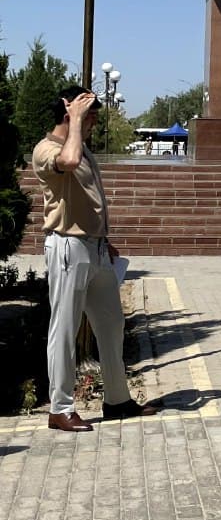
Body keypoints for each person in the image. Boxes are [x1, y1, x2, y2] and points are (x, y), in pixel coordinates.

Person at [33, 87, 159, 432]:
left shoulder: (83, 147)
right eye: (89, 116)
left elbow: (89, 196)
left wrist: (106, 240)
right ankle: (60, 408)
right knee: (65, 329)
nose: (93, 124)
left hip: (97, 248)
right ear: (69, 114)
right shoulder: (48, 150)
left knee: (112, 324)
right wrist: (74, 119)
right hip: (68, 248)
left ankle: (117, 400)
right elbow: (68, 162)